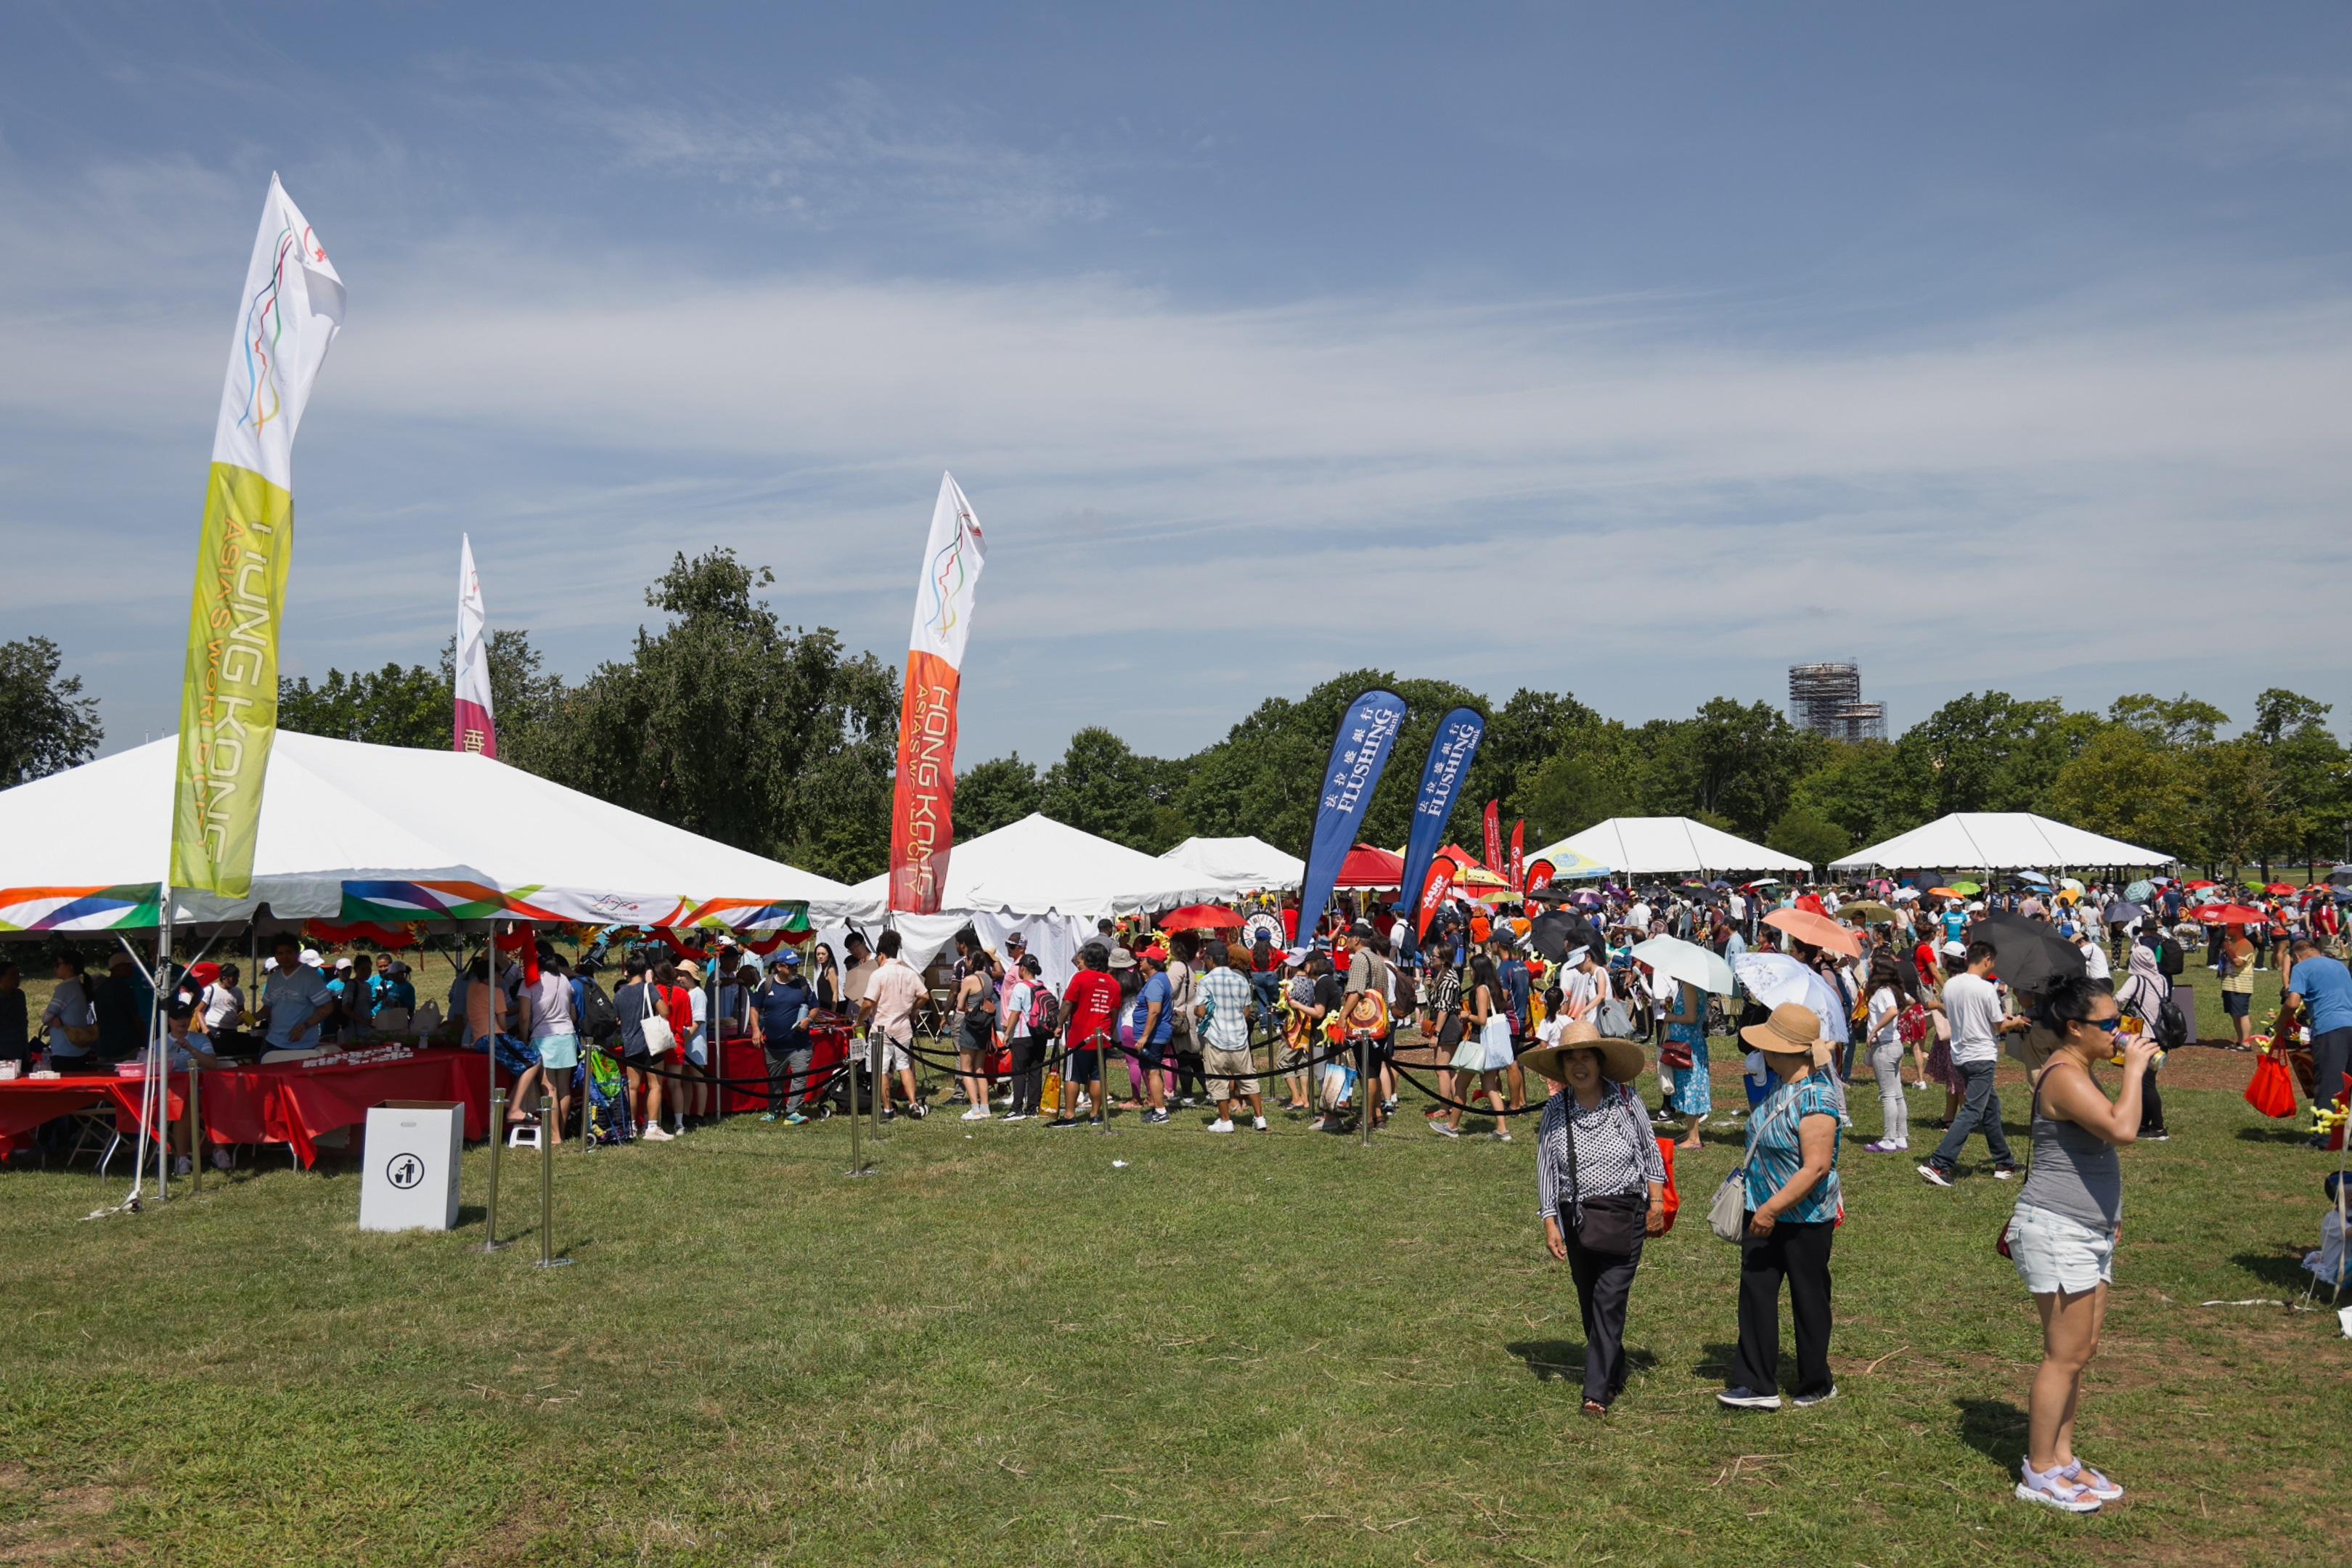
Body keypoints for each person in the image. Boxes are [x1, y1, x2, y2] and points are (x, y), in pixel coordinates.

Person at [2004, 977, 2158, 1513]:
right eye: (2110, 1024)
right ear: (2075, 1028)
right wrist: (2136, 1071)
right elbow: (2122, 1130)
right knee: (2062, 1355)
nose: (2120, 1033)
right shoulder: (2064, 1076)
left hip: (2086, 1230)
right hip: (2055, 1228)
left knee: (2081, 1352)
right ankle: (2039, 1469)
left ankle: (2063, 1457)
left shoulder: (2081, 1072)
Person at [1527, 1020, 1669, 1415]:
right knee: (1590, 1300)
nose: (1578, 1065)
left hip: (1626, 1213)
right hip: (1577, 1220)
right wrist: (1550, 1220)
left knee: (1609, 1299)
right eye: (1570, 1059)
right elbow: (1546, 1168)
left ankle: (1596, 1392)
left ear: (1599, 1061)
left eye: (1585, 1056)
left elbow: (1650, 1151)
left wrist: (1656, 1203)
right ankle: (1613, 1365)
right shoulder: (1557, 1108)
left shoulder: (1626, 1099)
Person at [1720, 1004, 1845, 1411]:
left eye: (1769, 1046)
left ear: (1786, 1051)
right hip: (1761, 1211)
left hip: (1802, 1219)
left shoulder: (1818, 1099)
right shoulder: (1779, 1088)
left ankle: (1816, 1382)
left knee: (1809, 1298)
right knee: (1756, 1293)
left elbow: (1817, 1167)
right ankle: (1757, 1383)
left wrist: (1772, 1208)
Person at [1919, 942, 2025, 1188]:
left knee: (1990, 1108)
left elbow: (1972, 1015)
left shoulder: (1951, 985)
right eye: (1993, 962)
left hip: (1961, 1056)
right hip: (1981, 1056)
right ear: (1987, 960)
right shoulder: (1986, 989)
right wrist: (2017, 1021)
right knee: (1972, 1111)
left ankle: (2003, 1162)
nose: (1993, 967)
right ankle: (1939, 1163)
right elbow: (1999, 1027)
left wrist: (2003, 1020)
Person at [1440, 953, 1516, 1140]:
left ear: (1478, 971)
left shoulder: (1481, 990)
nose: (1470, 973)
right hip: (1489, 1043)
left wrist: (1467, 1015)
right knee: (1490, 1086)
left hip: (1479, 1042)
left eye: (1472, 970)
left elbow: (1482, 1020)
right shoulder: (1494, 987)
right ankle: (1502, 1129)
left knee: (1459, 1084)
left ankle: (1453, 1126)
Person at [2284, 937, 2352, 1147]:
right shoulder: (2339, 966)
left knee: (2329, 1083)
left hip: (2330, 1029)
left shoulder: (2302, 968)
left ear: (2296, 957)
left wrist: (2280, 1027)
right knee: (2349, 1085)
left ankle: (2323, 1139)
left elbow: (2293, 1002)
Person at [1050, 942, 1122, 1128]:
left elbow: (1067, 1003)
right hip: (1101, 1037)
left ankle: (1070, 1115)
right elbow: (1114, 1012)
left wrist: (1059, 1024)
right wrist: (1110, 1033)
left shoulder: (1080, 978)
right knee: (1098, 1076)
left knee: (1072, 1076)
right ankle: (1095, 1115)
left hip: (1080, 1037)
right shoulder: (1113, 983)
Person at [860, 930, 928, 1122]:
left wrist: (859, 1021)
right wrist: (913, 1009)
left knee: (880, 1070)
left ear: (881, 955)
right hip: (903, 1027)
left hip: (882, 1029)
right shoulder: (909, 972)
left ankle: (888, 1108)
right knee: (904, 1066)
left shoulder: (878, 975)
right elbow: (925, 995)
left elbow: (867, 1003)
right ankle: (913, 1103)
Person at [613, 955, 674, 1143]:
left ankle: (631, 1126)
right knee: (655, 1085)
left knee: (632, 1087)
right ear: (644, 971)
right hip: (651, 1044)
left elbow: (616, 1020)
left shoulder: (620, 993)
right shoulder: (649, 988)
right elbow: (665, 1011)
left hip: (630, 1044)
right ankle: (652, 1127)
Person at [1861, 951, 1916, 1154]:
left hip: (1884, 1047)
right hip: (1896, 1044)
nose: (1869, 968)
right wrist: (1895, 1021)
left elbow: (1892, 1010)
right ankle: (1901, 1137)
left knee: (1887, 1095)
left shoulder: (1882, 992)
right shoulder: (1894, 989)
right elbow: (1909, 1002)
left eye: (1872, 966)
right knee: (1897, 1094)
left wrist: (1875, 1029)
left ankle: (1889, 1139)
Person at [523, 951, 579, 1142]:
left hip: (543, 1038)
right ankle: (560, 1131)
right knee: (564, 1089)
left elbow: (524, 1017)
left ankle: (555, 1136)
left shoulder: (530, 982)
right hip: (567, 1036)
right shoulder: (564, 979)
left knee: (549, 1089)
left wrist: (523, 1038)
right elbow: (573, 1014)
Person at [754, 952, 815, 1124]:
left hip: (800, 1045)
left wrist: (808, 1019)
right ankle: (774, 1110)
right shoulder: (766, 984)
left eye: (796, 964)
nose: (795, 967)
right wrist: (756, 1031)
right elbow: (754, 1008)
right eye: (791, 965)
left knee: (800, 1078)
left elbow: (815, 1007)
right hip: (774, 1046)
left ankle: (793, 1112)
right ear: (779, 967)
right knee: (775, 1081)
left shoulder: (804, 983)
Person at [259, 934, 335, 1060]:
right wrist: (249, 1018)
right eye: (280, 953)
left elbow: (327, 1007)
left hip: (302, 1046)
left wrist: (304, 1026)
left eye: (289, 952)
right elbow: (267, 1008)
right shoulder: (273, 978)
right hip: (273, 1042)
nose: (284, 957)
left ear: (297, 952)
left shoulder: (310, 976)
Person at [1658, 977, 1709, 1151]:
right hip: (1690, 1044)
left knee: (1690, 1090)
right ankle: (1692, 1134)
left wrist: (1671, 1017)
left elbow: (1691, 1017)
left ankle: (1694, 1138)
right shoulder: (1691, 986)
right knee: (1689, 1089)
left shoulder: (1689, 987)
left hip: (1688, 1047)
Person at [1128, 947, 1175, 1124]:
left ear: (1152, 963)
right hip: (1155, 1034)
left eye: (1144, 958)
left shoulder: (1156, 983)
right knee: (1152, 1071)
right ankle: (1158, 1108)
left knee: (1153, 1072)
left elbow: (1154, 1011)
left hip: (1154, 1036)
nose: (1140, 961)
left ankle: (1161, 1111)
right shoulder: (1159, 979)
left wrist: (1144, 1037)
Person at [997, 955, 1042, 1122]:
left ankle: (1017, 1108)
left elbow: (1015, 1013)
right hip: (1039, 1034)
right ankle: (1033, 1107)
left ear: (1022, 969)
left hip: (1023, 1034)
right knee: (1035, 1070)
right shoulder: (1041, 985)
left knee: (1019, 1072)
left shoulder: (1020, 987)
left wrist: (1008, 1033)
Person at [2218, 931, 2258, 1050]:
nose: (2228, 929)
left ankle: (2246, 1043)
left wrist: (2227, 949)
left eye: (2230, 927)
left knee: (2242, 1014)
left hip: (2240, 985)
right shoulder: (2234, 944)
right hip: (2230, 984)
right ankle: (2240, 1041)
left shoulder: (2245, 945)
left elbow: (2238, 962)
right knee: (2234, 1014)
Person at [0, 961, 25, 1069]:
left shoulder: (19, 995)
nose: (17, 978)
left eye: (18, 974)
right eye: (12, 974)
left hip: (21, 1050)